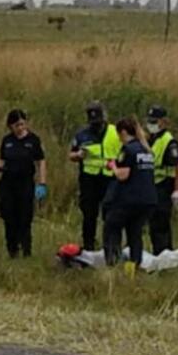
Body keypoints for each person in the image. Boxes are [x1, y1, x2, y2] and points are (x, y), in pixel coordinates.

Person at [101, 117, 157, 276]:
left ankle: (112, 265)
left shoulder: (128, 150)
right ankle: (132, 271)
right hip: (147, 200)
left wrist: (113, 165)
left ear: (123, 132)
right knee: (135, 234)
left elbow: (122, 175)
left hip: (129, 200)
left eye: (119, 135)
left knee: (111, 228)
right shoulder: (146, 150)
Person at [0, 109, 47, 258]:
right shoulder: (7, 141)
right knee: (9, 218)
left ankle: (26, 250)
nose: (20, 128)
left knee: (25, 218)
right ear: (10, 126)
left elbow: (40, 161)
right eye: (16, 125)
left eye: (22, 124)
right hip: (8, 184)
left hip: (25, 184)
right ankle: (12, 250)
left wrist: (42, 183)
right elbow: (3, 160)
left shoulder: (33, 140)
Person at [68, 101, 120, 251]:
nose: (96, 126)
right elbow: (71, 154)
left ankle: (111, 246)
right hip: (89, 180)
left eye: (98, 122)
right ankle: (89, 246)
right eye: (93, 123)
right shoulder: (82, 134)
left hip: (110, 178)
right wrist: (78, 155)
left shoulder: (115, 132)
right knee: (89, 214)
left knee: (110, 215)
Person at [146, 105, 178, 255]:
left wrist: (177, 190)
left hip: (163, 186)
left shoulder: (169, 142)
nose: (151, 124)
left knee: (160, 224)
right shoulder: (152, 139)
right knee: (154, 224)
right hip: (152, 186)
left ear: (164, 121)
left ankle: (163, 254)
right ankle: (161, 254)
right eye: (150, 121)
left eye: (155, 121)